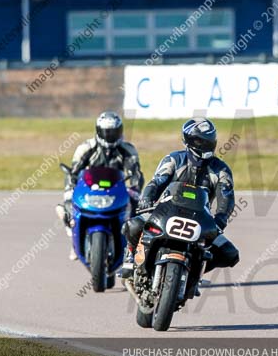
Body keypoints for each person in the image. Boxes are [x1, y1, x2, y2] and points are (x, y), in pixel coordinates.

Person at [121, 117, 239, 279]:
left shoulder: (221, 170)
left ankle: (194, 271)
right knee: (133, 225)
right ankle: (131, 253)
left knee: (229, 253)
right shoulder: (174, 159)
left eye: (210, 139)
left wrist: (220, 220)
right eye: (200, 140)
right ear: (189, 141)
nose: (206, 144)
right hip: (164, 212)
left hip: (200, 220)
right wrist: (146, 199)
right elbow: (156, 182)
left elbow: (226, 197)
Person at [57, 111, 143, 260]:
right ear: (98, 131)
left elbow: (135, 172)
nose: (110, 135)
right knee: (69, 201)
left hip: (116, 188)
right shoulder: (86, 147)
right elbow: (75, 171)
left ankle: (132, 244)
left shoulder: (127, 149)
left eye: (114, 132)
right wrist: (73, 185)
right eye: (107, 132)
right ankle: (74, 239)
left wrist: (135, 187)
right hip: (89, 188)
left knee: (137, 203)